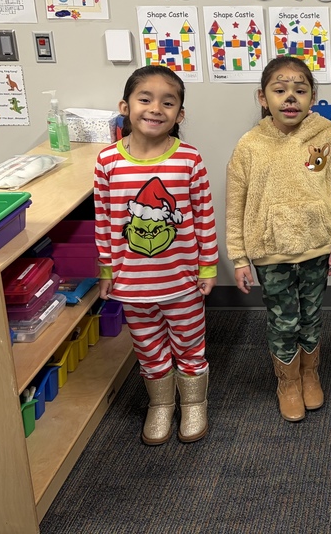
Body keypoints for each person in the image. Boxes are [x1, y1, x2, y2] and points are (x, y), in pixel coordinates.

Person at [94, 65, 219, 444]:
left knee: (190, 343)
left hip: (181, 281)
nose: (155, 108)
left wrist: (208, 266)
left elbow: (204, 215)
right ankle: (161, 404)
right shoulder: (107, 162)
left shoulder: (189, 160)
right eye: (144, 99)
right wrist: (106, 269)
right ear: (125, 106)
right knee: (147, 346)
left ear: (180, 115)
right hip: (132, 284)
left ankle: (195, 402)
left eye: (168, 102)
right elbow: (103, 219)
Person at [225, 56, 331, 422]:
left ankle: (310, 373)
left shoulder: (327, 138)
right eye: (280, 91)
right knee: (283, 320)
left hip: (317, 245)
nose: (290, 98)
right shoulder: (250, 145)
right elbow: (236, 204)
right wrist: (239, 257)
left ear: (313, 96)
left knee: (311, 316)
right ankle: (288, 381)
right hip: (270, 250)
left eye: (300, 90)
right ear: (263, 97)